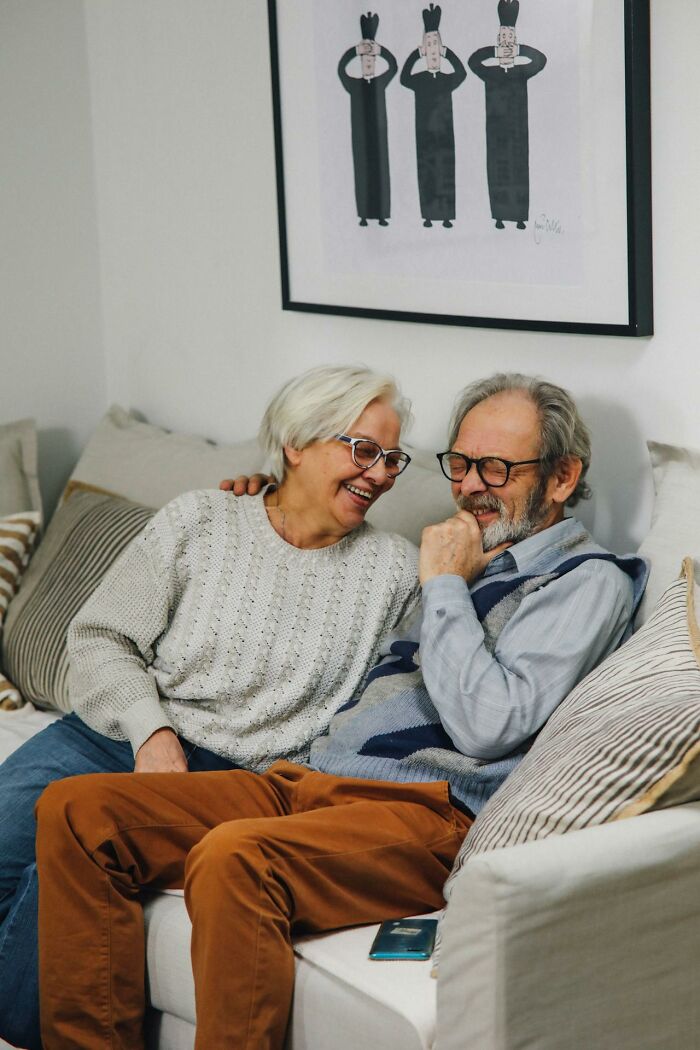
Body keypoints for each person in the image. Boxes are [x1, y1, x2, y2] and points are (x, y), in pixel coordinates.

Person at [34, 373, 647, 1050]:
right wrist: (267, 495)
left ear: (562, 478)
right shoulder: (457, 550)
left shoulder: (586, 580)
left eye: (497, 468)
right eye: (461, 463)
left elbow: (489, 724)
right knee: (78, 812)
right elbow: (309, 545)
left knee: (236, 858)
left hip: (427, 812)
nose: (473, 484)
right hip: (307, 780)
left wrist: (443, 584)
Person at [0, 365, 420, 1050]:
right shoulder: (203, 519)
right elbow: (101, 637)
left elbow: (380, 710)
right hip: (113, 735)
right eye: (362, 450)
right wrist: (151, 734)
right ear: (295, 444)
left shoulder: (396, 572)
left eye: (392, 457)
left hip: (230, 779)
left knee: (61, 876)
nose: (380, 474)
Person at [468, 0, 546, 230]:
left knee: (519, 170)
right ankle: (499, 216)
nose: (506, 45)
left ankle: (520, 216)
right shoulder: (490, 73)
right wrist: (494, 52)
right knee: (498, 171)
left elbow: (540, 60)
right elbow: (473, 61)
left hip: (518, 131)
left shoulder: (521, 72)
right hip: (496, 132)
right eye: (502, 41)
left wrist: (521, 50)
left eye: (510, 40)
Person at [400, 4, 467, 228]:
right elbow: (403, 78)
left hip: (445, 134)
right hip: (425, 135)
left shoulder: (448, 78)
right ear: (424, 49)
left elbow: (462, 73)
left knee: (445, 172)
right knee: (427, 174)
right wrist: (415, 54)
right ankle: (428, 216)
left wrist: (448, 53)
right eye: (428, 45)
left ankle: (447, 216)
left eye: (436, 44)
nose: (433, 50)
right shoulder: (418, 79)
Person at [338, 12, 397, 226]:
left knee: (381, 174)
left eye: (371, 59)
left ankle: (382, 215)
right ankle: (363, 215)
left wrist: (380, 50)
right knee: (362, 173)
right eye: (366, 59)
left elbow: (394, 66)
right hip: (361, 138)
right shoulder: (354, 85)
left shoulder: (381, 82)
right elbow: (341, 70)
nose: (369, 62)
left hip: (379, 139)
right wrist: (355, 51)